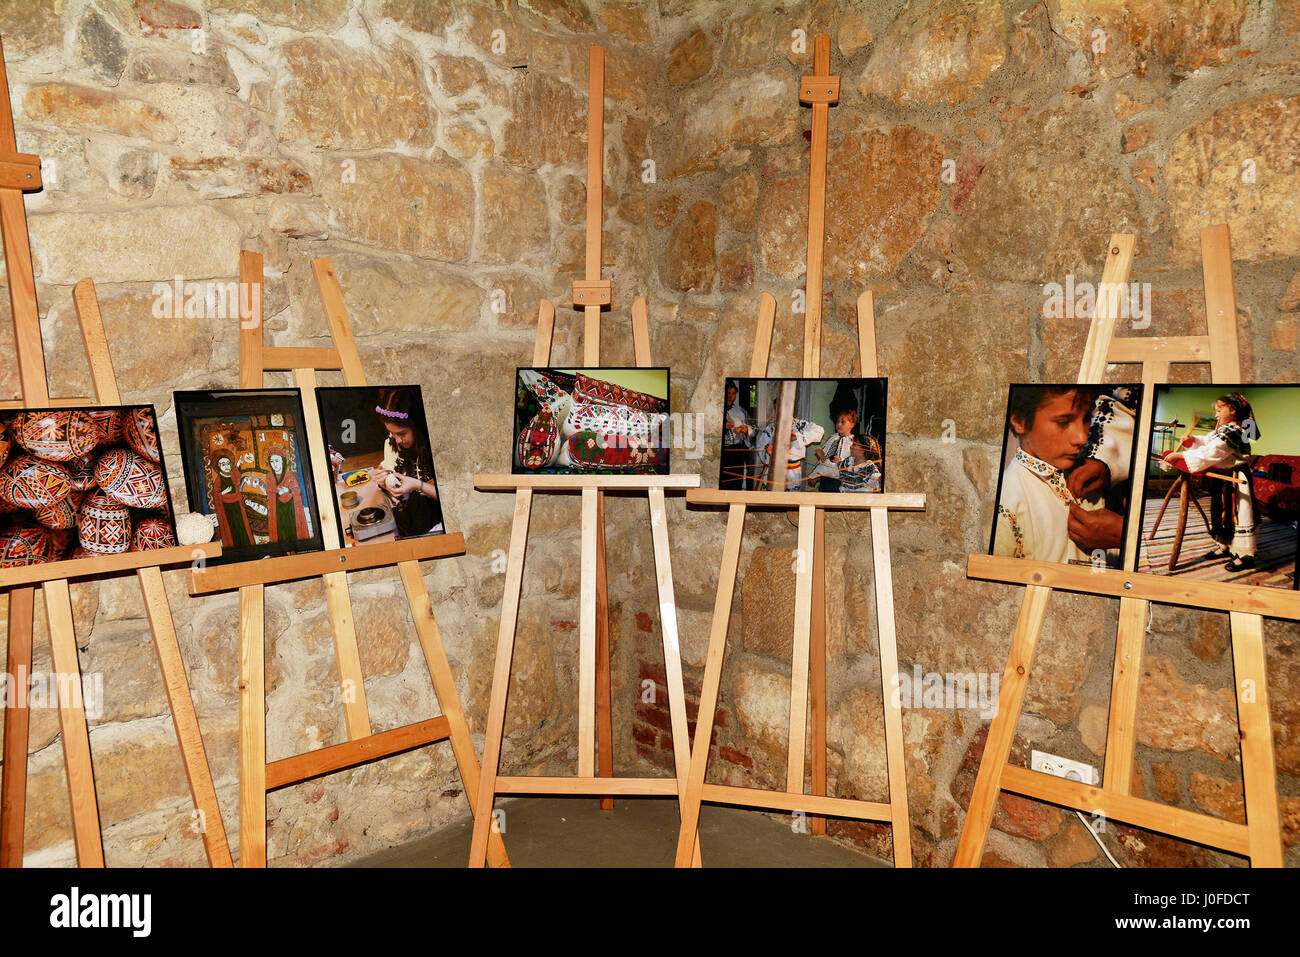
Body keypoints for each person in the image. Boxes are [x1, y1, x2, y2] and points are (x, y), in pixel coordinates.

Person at [993, 386, 1124, 565]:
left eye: (1086, 418)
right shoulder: (1006, 502)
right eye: (1064, 422)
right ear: (1020, 421)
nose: (1082, 437)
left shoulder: (1092, 477)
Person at [1161, 392, 1258, 571]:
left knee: (1239, 515)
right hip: (1224, 479)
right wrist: (1193, 440)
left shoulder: (1235, 432)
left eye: (1220, 410)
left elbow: (1212, 452)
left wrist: (1180, 455)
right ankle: (1225, 545)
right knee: (1220, 511)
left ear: (1234, 411)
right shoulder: (1223, 430)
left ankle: (1245, 555)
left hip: (1236, 479)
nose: (1216, 414)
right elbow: (1207, 442)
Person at [372, 387, 444, 538]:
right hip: (409, 519)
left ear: (416, 426)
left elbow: (452, 497)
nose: (397, 439)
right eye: (391, 432)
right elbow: (390, 468)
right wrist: (383, 478)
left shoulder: (439, 450)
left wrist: (418, 485)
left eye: (402, 433)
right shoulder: (393, 442)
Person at [754, 396, 825, 491]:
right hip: (773, 470)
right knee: (771, 500)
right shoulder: (770, 428)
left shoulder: (799, 425)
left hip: (793, 471)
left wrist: (797, 436)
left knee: (790, 501)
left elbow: (819, 431)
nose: (780, 412)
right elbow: (761, 448)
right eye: (777, 409)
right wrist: (770, 452)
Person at [265, 446, 309, 544]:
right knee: (280, 532)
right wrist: (277, 492)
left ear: (283, 461)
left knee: (291, 531)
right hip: (277, 509)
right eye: (272, 461)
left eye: (277, 460)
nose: (274, 464)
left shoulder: (289, 476)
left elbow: (297, 491)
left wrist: (288, 491)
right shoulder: (269, 477)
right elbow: (269, 492)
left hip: (290, 509)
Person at [213, 452, 252, 548]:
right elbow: (216, 495)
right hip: (227, 508)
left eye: (228, 463)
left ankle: (246, 546)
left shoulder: (232, 474)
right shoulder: (219, 479)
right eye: (223, 464)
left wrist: (238, 464)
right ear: (218, 467)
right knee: (232, 528)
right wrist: (224, 492)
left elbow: (237, 478)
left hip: (237, 505)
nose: (226, 466)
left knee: (241, 526)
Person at [722, 380, 755, 489]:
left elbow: (752, 429)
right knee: (723, 483)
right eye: (728, 393)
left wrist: (746, 430)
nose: (730, 396)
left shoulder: (740, 412)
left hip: (737, 452)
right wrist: (724, 428)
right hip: (722, 452)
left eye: (733, 393)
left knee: (736, 482)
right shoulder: (714, 410)